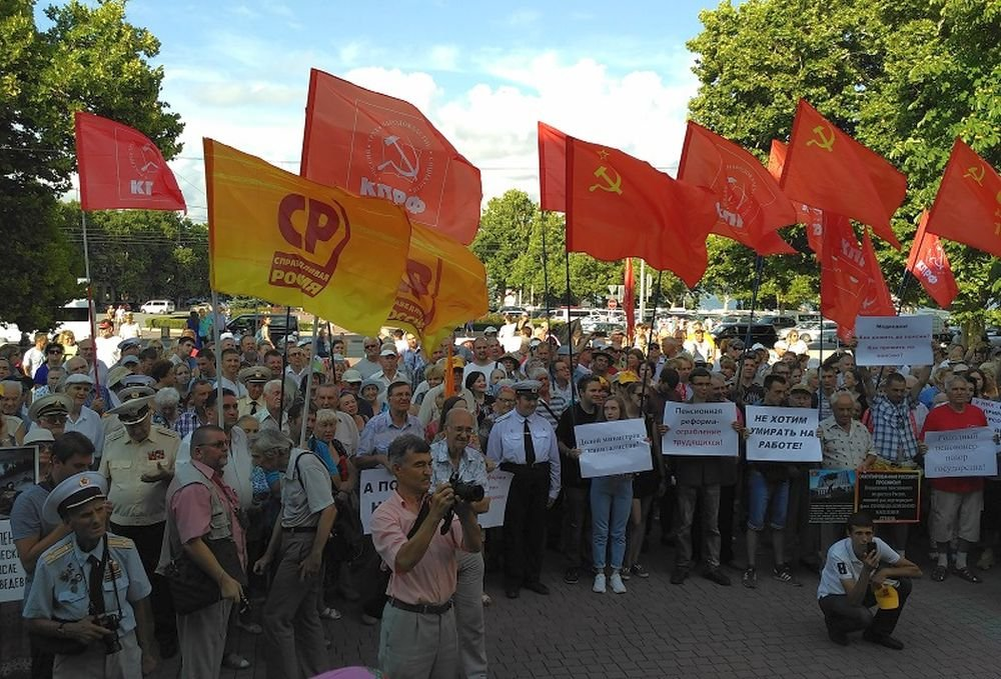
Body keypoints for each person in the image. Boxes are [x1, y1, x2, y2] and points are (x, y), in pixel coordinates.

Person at [23, 472, 158, 677]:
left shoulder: (124, 549)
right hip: (77, 659)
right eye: (86, 515)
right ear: (68, 522)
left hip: (124, 650)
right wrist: (70, 630)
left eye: (99, 510)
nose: (96, 520)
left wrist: (146, 653)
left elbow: (141, 603)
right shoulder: (51, 561)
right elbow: (33, 620)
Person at [371, 434, 483, 679]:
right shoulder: (385, 515)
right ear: (398, 470)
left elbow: (473, 546)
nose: (428, 472)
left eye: (430, 463)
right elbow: (403, 562)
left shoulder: (438, 504)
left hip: (446, 614)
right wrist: (433, 516)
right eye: (419, 465)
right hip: (408, 619)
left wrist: (466, 514)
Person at [158, 425, 247, 679]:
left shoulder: (206, 478)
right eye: (218, 445)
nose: (225, 448)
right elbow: (192, 541)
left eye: (226, 443)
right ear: (198, 451)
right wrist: (224, 579)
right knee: (201, 661)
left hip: (212, 583)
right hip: (203, 584)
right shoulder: (194, 486)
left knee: (208, 655)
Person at [99, 395, 180, 657]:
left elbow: (183, 479)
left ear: (149, 416)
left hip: (157, 524)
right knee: (125, 583)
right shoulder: (112, 443)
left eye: (140, 424)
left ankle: (166, 636)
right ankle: (132, 636)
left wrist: (167, 475)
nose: (136, 430)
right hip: (122, 526)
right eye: (130, 426)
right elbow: (103, 480)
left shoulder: (169, 440)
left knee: (160, 581)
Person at [11, 432, 96, 679]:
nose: (84, 474)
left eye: (89, 467)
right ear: (55, 462)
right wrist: (66, 527)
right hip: (47, 610)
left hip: (83, 603)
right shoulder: (28, 501)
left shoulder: (89, 494)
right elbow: (28, 561)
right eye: (78, 466)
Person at [253, 429, 335, 679]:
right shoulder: (289, 468)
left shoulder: (305, 465)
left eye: (259, 457)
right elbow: (285, 513)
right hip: (296, 539)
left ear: (276, 453)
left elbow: (329, 510)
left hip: (303, 543)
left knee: (276, 617)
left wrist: (315, 554)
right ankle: (317, 673)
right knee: (305, 616)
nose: (257, 463)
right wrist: (269, 554)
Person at [429, 409, 490, 678]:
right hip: (436, 547)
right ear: (445, 429)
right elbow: (426, 502)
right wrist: (462, 503)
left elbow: (485, 503)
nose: (465, 435)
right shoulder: (427, 457)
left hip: (468, 543)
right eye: (459, 430)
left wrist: (456, 501)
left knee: (472, 620)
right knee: (436, 620)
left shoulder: (475, 457)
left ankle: (476, 674)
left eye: (469, 430)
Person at [486, 380, 560, 599]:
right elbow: (494, 461)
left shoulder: (545, 425)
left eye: (535, 400)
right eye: (527, 399)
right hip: (513, 479)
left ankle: (532, 577)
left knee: (536, 531)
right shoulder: (501, 425)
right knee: (514, 531)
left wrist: (554, 490)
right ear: (517, 399)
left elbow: (554, 460)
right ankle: (513, 578)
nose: (531, 404)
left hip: (539, 478)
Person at [921, 375, 993, 583]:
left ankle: (961, 563)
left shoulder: (978, 413)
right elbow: (924, 441)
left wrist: (992, 441)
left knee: (969, 524)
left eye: (964, 389)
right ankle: (942, 562)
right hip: (945, 482)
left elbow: (984, 441)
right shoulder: (936, 415)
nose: (960, 393)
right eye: (956, 389)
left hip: (972, 481)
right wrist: (924, 448)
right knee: (943, 522)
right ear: (948, 391)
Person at [817, 512, 922, 648]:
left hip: (858, 589)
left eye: (868, 533)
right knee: (864, 617)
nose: (864, 539)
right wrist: (867, 571)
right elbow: (854, 600)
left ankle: (877, 633)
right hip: (834, 597)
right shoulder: (838, 553)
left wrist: (886, 571)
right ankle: (835, 626)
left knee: (904, 584)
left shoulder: (877, 544)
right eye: (859, 533)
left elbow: (916, 571)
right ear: (849, 534)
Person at [555, 375, 604, 585]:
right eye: (592, 390)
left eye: (599, 390)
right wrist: (569, 453)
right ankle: (572, 564)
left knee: (594, 523)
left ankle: (590, 560)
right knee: (576, 522)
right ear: (581, 392)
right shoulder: (571, 414)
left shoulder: (604, 413)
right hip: (576, 479)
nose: (597, 394)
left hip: (599, 477)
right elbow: (558, 440)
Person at [589, 395, 635, 594]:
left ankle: (615, 572)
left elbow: (637, 457)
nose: (609, 412)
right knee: (600, 530)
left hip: (624, 484)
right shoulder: (595, 431)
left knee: (619, 531)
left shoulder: (630, 430)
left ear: (620, 410)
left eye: (614, 408)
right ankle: (599, 572)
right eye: (607, 408)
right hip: (601, 483)